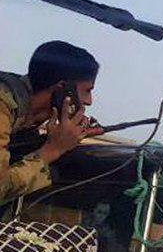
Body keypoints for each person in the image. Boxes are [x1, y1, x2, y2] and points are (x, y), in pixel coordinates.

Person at [1, 41, 101, 204]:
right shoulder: (3, 105)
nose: (89, 101)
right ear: (62, 87)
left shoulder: (21, 115)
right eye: (87, 91)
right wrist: (54, 149)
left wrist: (68, 136)